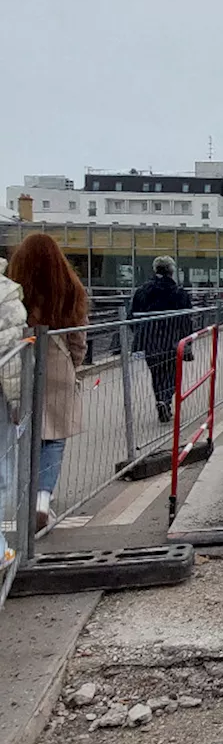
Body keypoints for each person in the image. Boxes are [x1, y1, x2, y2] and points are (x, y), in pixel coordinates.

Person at [8, 234, 87, 531]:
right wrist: (74, 365)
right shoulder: (69, 288)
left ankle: (19, 499)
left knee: (20, 435)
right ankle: (42, 499)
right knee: (53, 438)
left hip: (19, 362)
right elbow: (78, 337)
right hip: (57, 362)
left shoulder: (15, 289)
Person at [129, 256, 194, 423]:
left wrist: (140, 334)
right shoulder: (179, 293)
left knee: (156, 373)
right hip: (172, 341)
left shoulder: (142, 291)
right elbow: (187, 319)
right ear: (172, 271)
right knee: (171, 373)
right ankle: (165, 400)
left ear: (155, 270)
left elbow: (132, 317)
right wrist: (188, 342)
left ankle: (160, 399)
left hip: (149, 341)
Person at [0, 256, 28, 570]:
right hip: (0, 396)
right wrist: (17, 399)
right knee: (2, 469)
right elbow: (11, 354)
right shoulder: (7, 292)